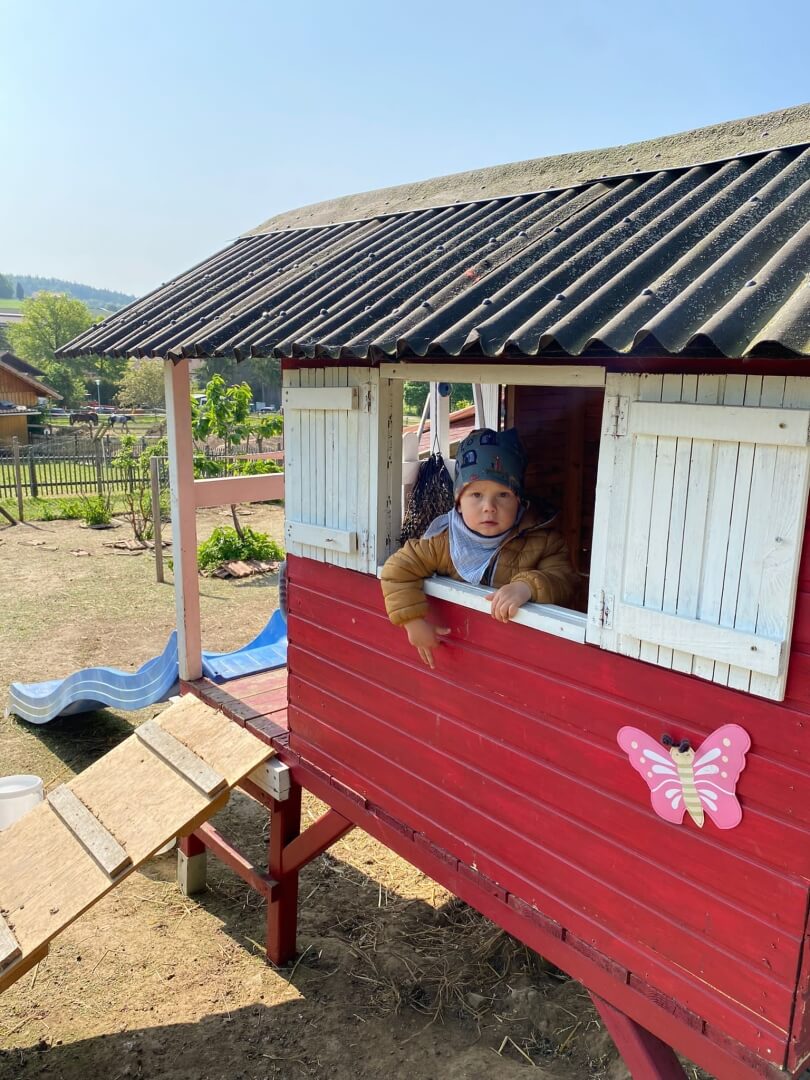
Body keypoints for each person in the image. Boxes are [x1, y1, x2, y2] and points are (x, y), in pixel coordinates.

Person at [381, 428, 577, 667]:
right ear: (459, 503)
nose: (489, 507)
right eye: (476, 494)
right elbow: (397, 570)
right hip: (463, 652)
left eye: (503, 494)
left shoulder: (542, 539)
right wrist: (412, 622)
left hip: (520, 656)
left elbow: (564, 579)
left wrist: (526, 586)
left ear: (519, 501)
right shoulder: (442, 540)